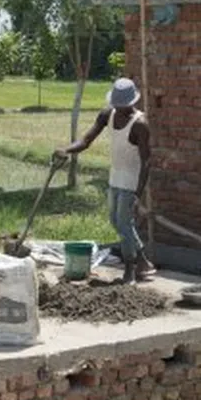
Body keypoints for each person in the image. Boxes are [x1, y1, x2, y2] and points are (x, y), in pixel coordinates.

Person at [57, 78, 154, 283]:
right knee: (115, 221)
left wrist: (138, 194)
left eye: (123, 106)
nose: (119, 109)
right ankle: (143, 259)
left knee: (125, 225)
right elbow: (86, 141)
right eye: (116, 105)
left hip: (130, 181)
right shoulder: (106, 114)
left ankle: (130, 270)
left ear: (132, 102)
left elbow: (146, 162)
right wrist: (66, 150)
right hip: (115, 178)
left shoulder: (140, 125)